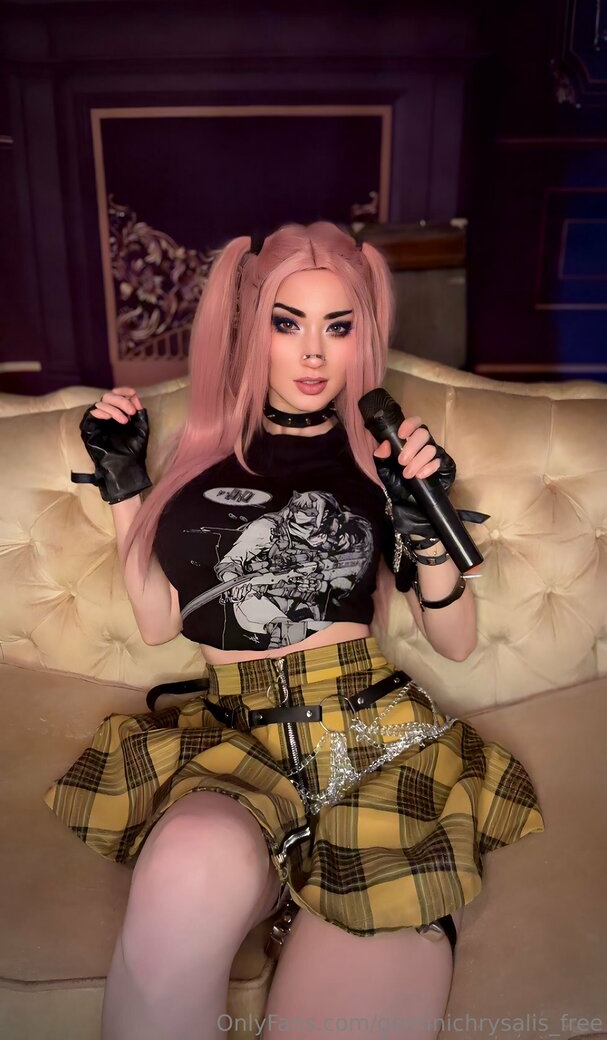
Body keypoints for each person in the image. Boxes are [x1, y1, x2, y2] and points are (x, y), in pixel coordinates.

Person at [43, 221, 545, 1040]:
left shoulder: (382, 464)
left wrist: (424, 527)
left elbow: (453, 640)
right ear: (248, 330)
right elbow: (158, 622)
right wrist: (124, 483)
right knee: (186, 870)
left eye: (337, 327)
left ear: (361, 339)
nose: (313, 353)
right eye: (288, 323)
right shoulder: (197, 467)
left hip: (370, 739)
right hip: (233, 740)